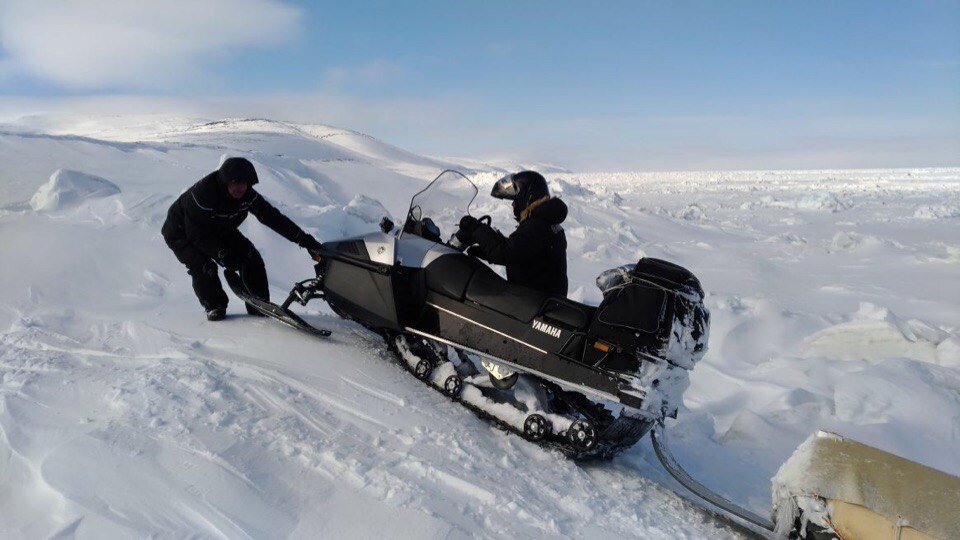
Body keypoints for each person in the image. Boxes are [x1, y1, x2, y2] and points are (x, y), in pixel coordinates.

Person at [161, 157, 323, 321]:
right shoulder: (205, 193)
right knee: (203, 266)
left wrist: (303, 239)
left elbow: (272, 217)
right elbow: (197, 233)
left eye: (244, 183)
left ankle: (259, 305)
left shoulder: (247, 195)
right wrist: (222, 254)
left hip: (219, 228)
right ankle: (215, 306)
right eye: (236, 182)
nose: (240, 187)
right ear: (225, 181)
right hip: (181, 232)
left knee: (251, 257)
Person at [456, 170, 568, 296]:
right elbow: (522, 252)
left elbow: (507, 252)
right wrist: (487, 252)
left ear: (527, 197)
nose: (513, 205)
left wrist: (476, 228)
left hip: (533, 303)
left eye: (515, 200)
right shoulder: (547, 223)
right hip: (539, 299)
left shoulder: (537, 225)